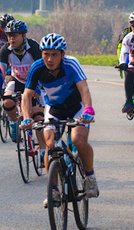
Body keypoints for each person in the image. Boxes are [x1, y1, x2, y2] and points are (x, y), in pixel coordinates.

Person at [22, 33, 98, 206]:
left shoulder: (71, 64)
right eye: (46, 54)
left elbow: (84, 89)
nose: (49, 59)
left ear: (63, 54)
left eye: (54, 54)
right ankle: (54, 190)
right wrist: (27, 118)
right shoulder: (37, 67)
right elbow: (26, 95)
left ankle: (90, 176)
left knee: (78, 140)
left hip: (76, 108)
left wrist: (88, 109)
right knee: (50, 144)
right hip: (54, 109)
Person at [0, 19, 44, 147]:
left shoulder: (34, 47)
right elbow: (0, 71)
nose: (11, 38)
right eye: (9, 35)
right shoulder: (5, 50)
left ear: (24, 35)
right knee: (7, 102)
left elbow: (42, 69)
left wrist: (37, 87)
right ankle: (16, 122)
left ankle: (43, 142)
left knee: (39, 115)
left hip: (35, 81)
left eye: (15, 35)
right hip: (18, 80)